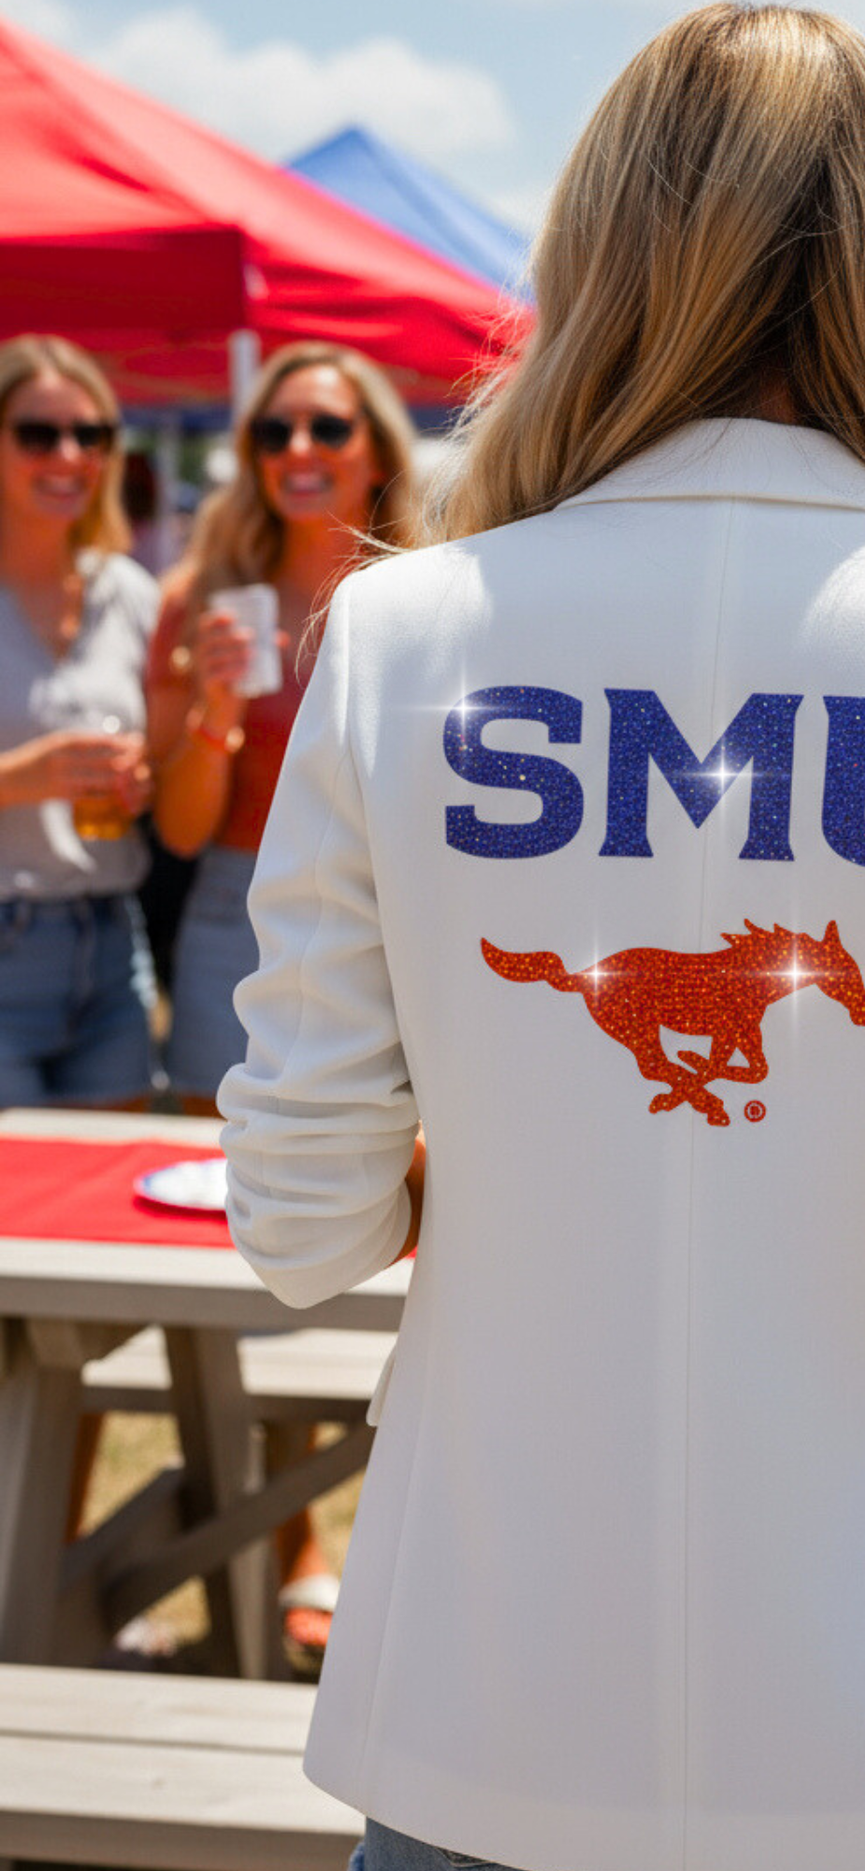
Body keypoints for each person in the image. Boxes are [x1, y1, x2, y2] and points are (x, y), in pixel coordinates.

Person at [221, 10, 865, 1870]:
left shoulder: (402, 635)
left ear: (592, 263)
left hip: (491, 1713)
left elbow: (300, 1226)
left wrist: (523, 1148)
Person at [145, 340, 417, 1665]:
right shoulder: (206, 596)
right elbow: (185, 828)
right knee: (256, 1220)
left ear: (375, 442)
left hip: (398, 909)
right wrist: (204, 711)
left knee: (404, 1206)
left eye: (327, 422)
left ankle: (375, 1530)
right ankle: (292, 1541)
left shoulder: (432, 589)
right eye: (273, 430)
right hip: (234, 904)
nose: (299, 448)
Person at [0, 334, 158, 1109]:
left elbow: (159, 760)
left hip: (109, 942)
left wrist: (144, 779)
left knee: (107, 1201)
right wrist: (20, 779)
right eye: (38, 433)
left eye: (90, 435)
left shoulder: (127, 591)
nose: (69, 455)